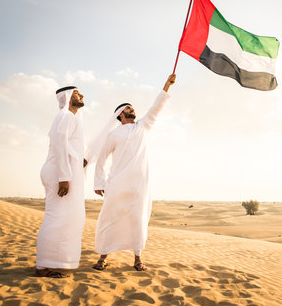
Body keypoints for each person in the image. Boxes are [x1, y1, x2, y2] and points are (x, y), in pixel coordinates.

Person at [90, 74, 176, 271]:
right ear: (120, 115)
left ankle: (138, 259)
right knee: (110, 218)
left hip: (139, 185)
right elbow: (101, 160)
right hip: (116, 184)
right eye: (128, 108)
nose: (132, 109)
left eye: (132, 107)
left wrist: (166, 87)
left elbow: (156, 108)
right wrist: (99, 184)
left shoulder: (142, 127)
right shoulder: (113, 134)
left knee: (138, 219)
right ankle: (103, 258)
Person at [35, 86, 87, 278]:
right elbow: (59, 143)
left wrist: (80, 159)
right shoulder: (65, 116)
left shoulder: (71, 118)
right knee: (55, 218)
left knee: (64, 217)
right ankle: (42, 266)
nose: (81, 95)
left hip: (62, 170)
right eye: (76, 93)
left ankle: (52, 262)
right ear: (66, 98)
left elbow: (69, 145)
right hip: (58, 172)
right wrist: (64, 177)